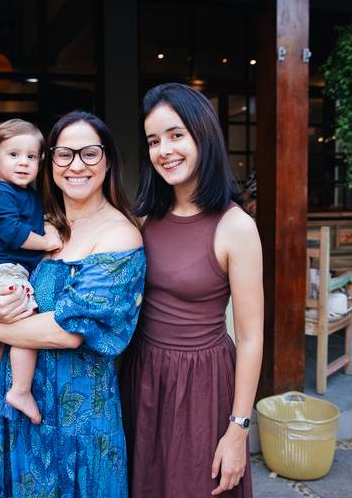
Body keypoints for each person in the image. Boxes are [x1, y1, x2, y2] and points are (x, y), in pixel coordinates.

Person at [0, 111, 146, 497]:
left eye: (89, 153)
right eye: (64, 154)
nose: (76, 165)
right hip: (16, 408)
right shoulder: (41, 226)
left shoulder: (120, 235)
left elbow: (70, 331)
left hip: (78, 418)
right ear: (50, 163)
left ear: (108, 160)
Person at [121, 83, 264, 497]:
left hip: (203, 383)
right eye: (154, 141)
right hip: (143, 376)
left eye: (175, 135)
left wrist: (238, 429)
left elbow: (251, 337)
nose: (164, 150)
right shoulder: (143, 218)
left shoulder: (236, 226)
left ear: (203, 135)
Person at [0, 118, 62, 425]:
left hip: (3, 271)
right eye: (14, 154)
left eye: (31, 156)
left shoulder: (29, 195)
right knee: (26, 324)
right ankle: (20, 391)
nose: (23, 162)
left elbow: (34, 223)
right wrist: (46, 242)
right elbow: (12, 232)